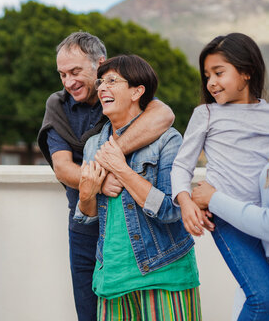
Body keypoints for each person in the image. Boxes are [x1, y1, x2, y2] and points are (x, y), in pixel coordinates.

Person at [37, 32, 175, 320]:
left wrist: (107, 160)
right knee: (89, 311)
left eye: (75, 72)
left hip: (134, 227)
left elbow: (164, 115)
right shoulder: (58, 105)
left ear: (99, 65)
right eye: (62, 74)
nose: (68, 82)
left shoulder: (120, 90)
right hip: (85, 224)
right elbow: (62, 167)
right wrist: (98, 183)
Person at [170, 33, 269, 321]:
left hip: (267, 220)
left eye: (218, 73)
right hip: (228, 223)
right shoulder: (207, 114)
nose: (211, 82)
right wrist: (186, 201)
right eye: (207, 75)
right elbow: (181, 166)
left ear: (247, 72)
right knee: (262, 299)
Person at [76, 55, 201, 321]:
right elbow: (88, 216)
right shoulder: (92, 146)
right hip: (111, 279)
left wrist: (121, 169)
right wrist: (87, 193)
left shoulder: (168, 139)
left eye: (111, 81)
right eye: (100, 82)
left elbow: (172, 210)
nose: (101, 88)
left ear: (137, 91)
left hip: (164, 273)